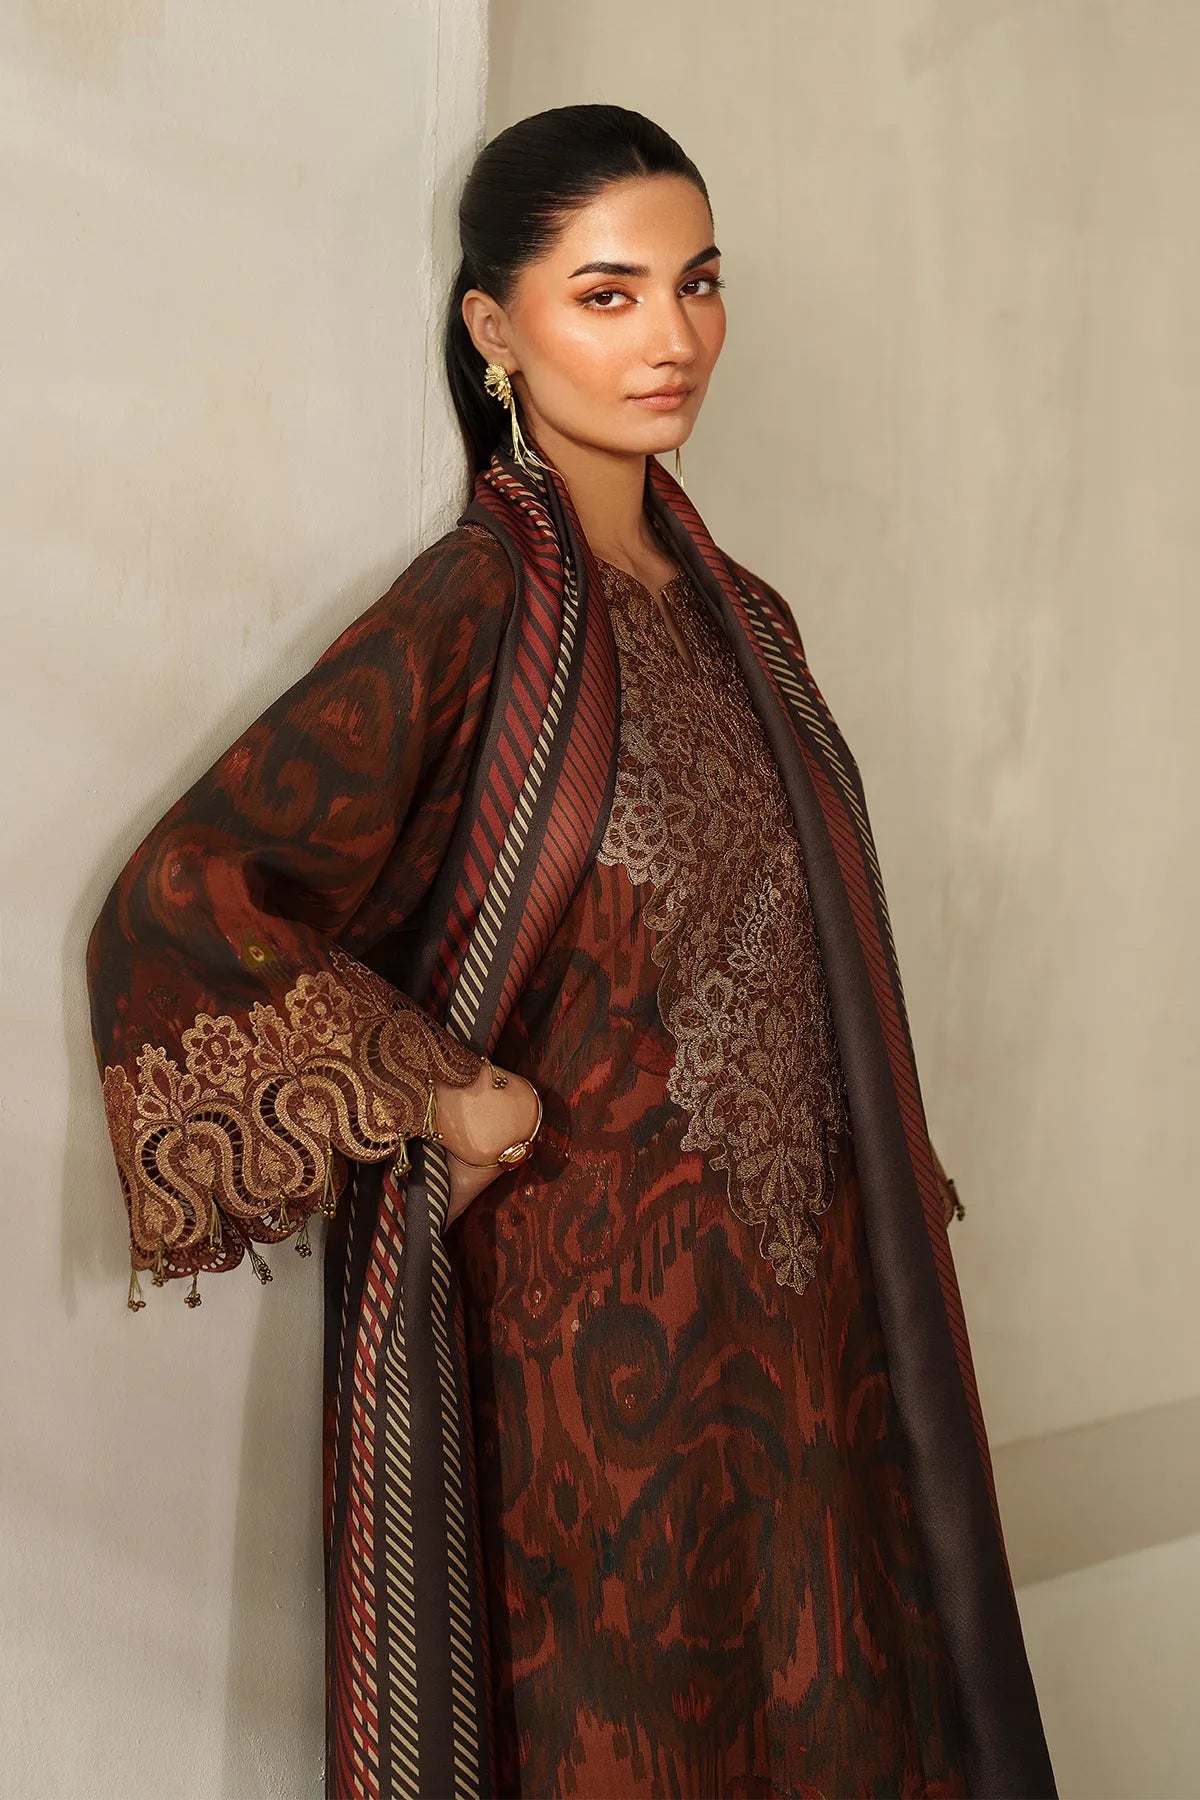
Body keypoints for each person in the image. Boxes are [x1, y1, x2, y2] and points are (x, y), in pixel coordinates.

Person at [87, 104, 1056, 1800]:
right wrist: (437, 1088)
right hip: (593, 1370)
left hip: (810, 1338)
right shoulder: (473, 608)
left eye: (698, 284)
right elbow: (188, 890)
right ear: (495, 326)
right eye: (608, 294)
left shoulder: (749, 620)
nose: (673, 337)